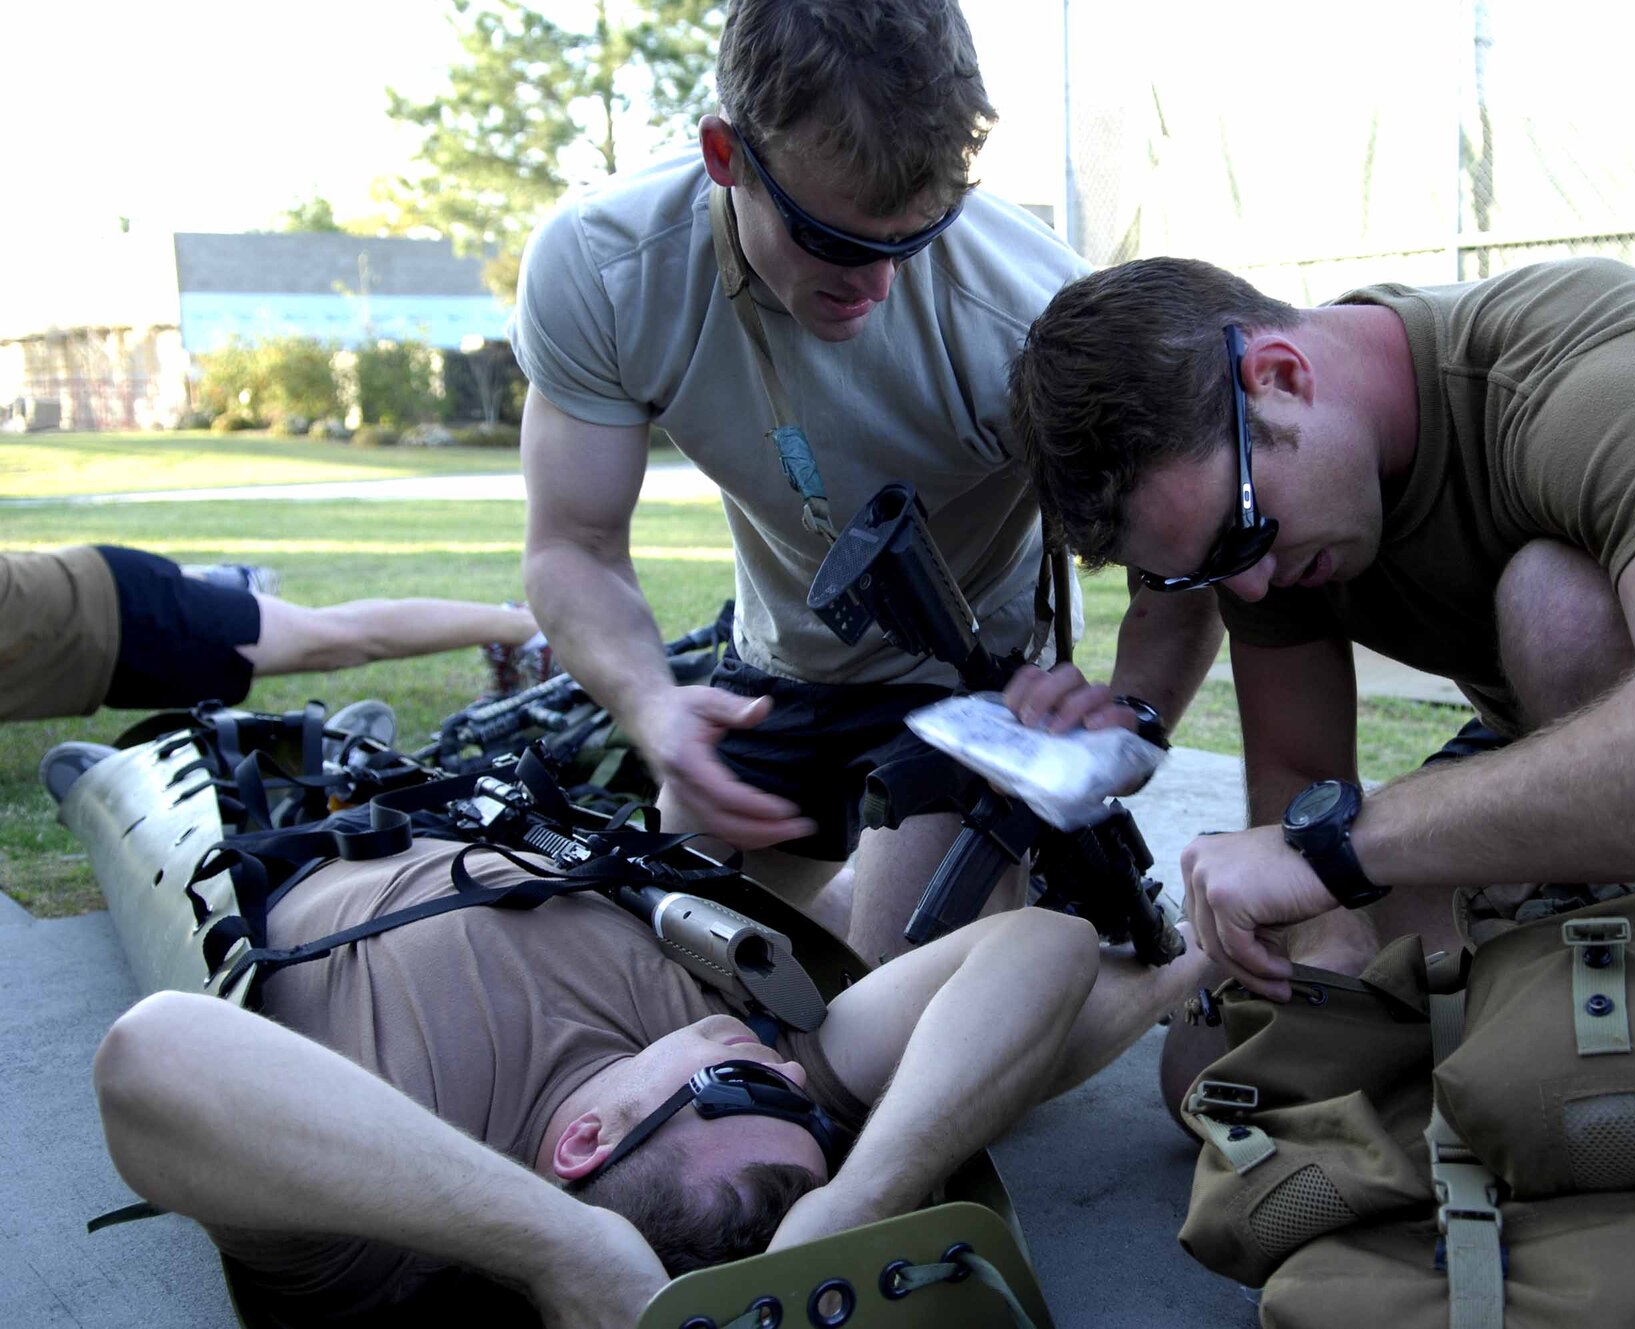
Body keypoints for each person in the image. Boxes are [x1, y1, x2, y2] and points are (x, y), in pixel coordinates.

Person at [1005, 254, 1635, 1002]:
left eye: (1243, 538)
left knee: (1555, 606)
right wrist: (1320, 953)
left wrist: (1344, 853)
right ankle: (1599, 948)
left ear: (1283, 375)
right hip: (1563, 732)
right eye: (1207, 571)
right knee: (1236, 1066)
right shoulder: (1273, 498)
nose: (1250, 589)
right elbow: (1299, 794)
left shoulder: (1599, 375)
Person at [512, 0, 1220, 960]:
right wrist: (649, 702)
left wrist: (1130, 713)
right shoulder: (604, 269)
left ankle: (1132, 974)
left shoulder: (1030, 314)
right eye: (838, 241)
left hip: (970, 682)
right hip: (777, 668)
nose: (878, 284)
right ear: (728, 157)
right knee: (658, 955)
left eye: (916, 235)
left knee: (892, 1016)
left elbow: (1189, 552)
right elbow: (573, 547)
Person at [92, 834, 1201, 1325]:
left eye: (757, 1092)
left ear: (580, 1148)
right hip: (497, 828)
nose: (773, 1058)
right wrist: (860, 1199)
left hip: (326, 845)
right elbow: (1041, 945)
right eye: (790, 1098)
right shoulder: (748, 1078)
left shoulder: (371, 1208)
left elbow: (150, 1057)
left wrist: (557, 1246)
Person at [4, 545, 544, 734]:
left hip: (115, 614)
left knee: (333, 639)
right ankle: (223, 584)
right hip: (92, 631)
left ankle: (526, 629)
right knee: (330, 634)